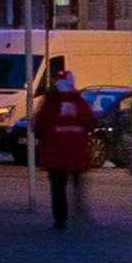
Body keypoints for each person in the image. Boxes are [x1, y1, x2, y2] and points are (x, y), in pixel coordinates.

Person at [28, 63, 102, 235]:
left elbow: (39, 125)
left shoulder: (50, 102)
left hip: (55, 151)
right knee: (77, 182)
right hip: (77, 150)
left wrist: (46, 137)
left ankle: (60, 219)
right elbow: (90, 122)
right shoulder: (80, 102)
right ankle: (80, 210)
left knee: (58, 186)